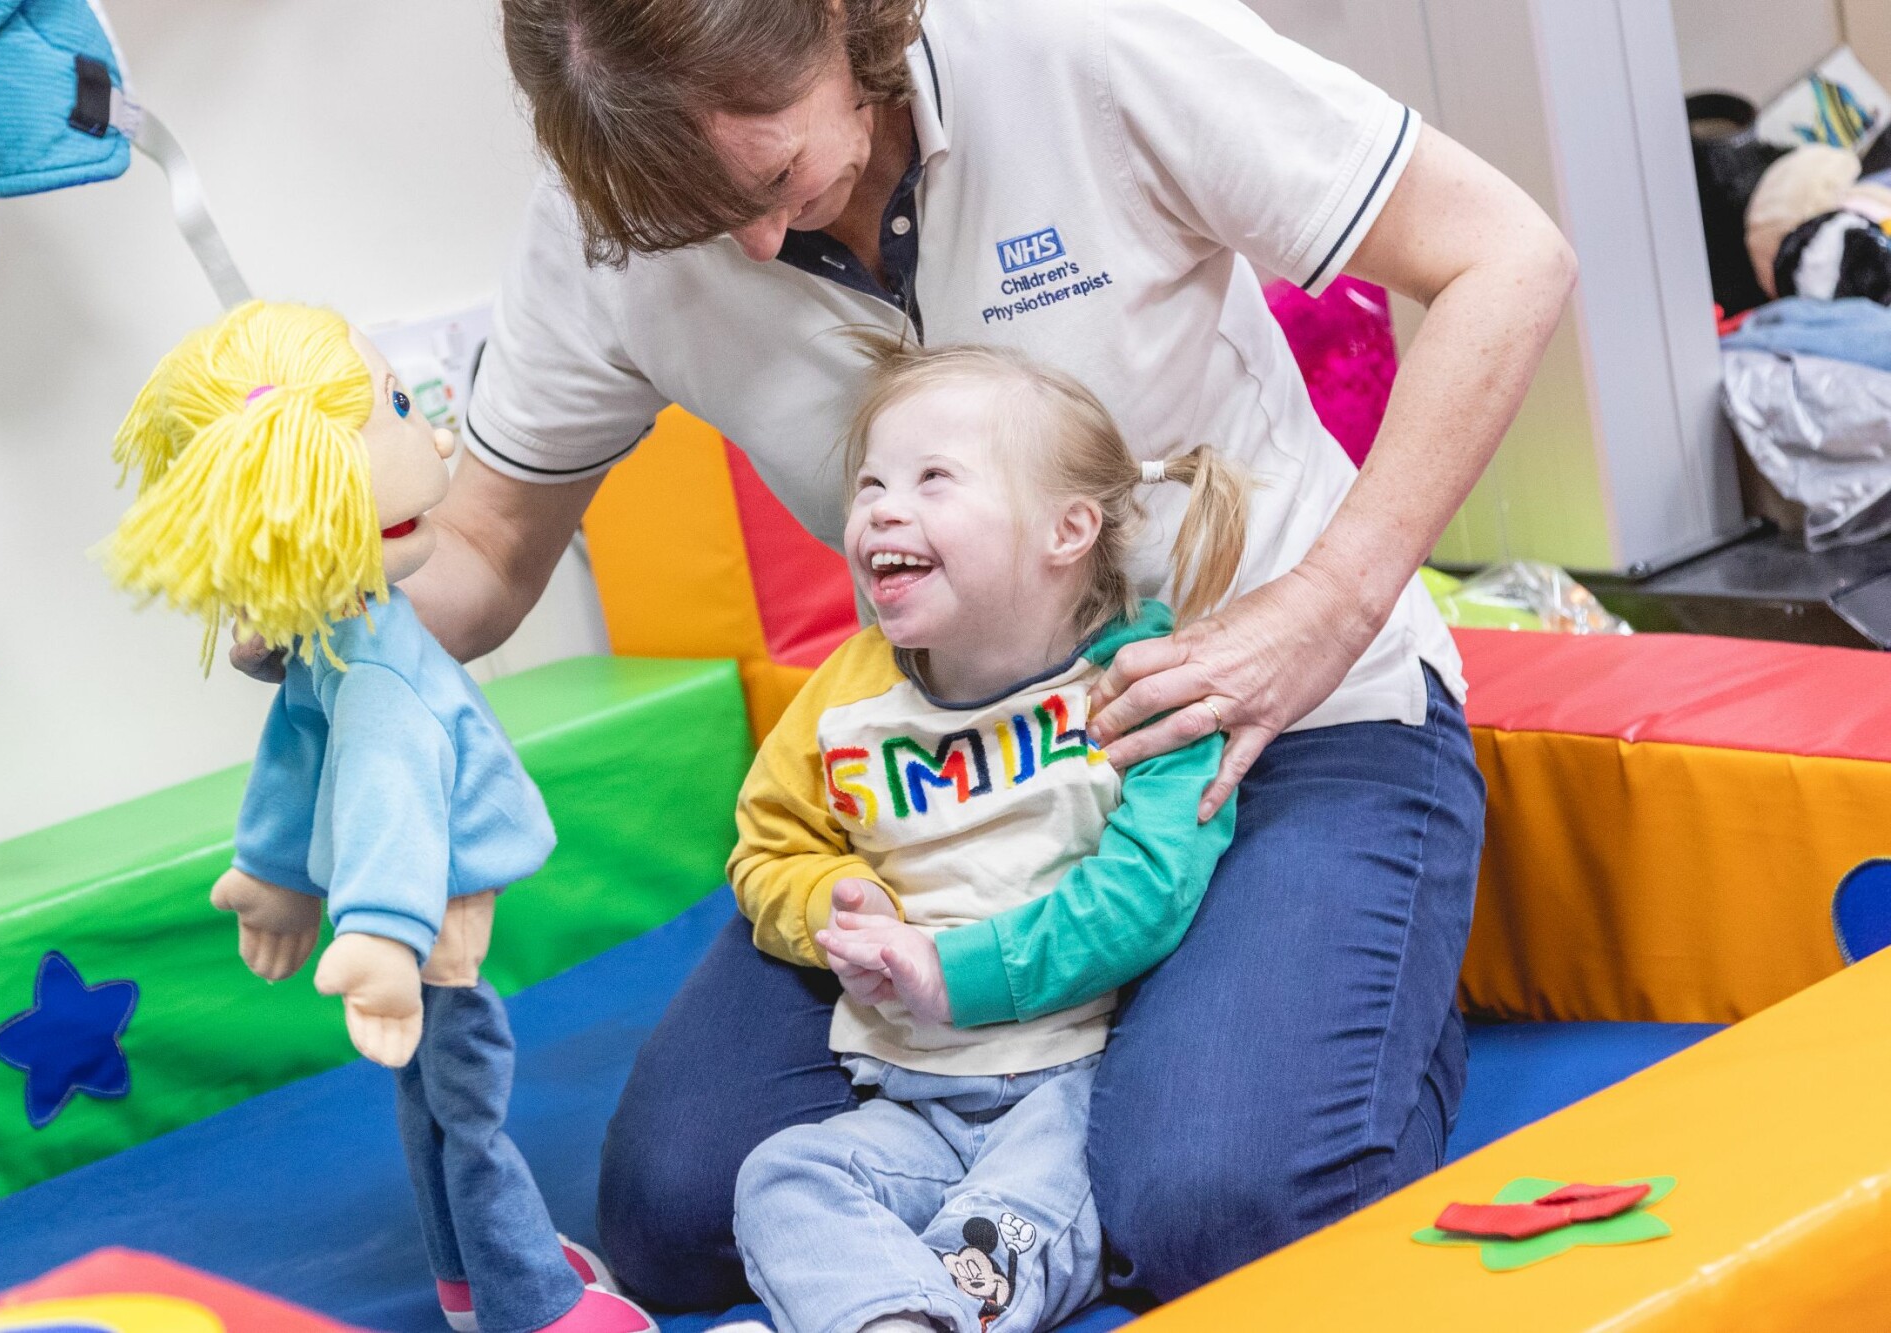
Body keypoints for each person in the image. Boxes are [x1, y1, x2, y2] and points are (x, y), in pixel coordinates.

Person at [237, 0, 1574, 1304]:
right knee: (676, 1210)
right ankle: (1103, 1077)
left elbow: (1506, 257)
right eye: (700, 218)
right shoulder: (613, 208)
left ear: (841, 18)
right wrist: (324, 602)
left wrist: (1322, 607)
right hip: (959, 775)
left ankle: (1278, 1036)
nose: (756, 243)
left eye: (771, 175)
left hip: (1267, 720)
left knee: (1218, 1208)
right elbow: (485, 551)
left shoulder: (1081, 40)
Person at [116, 303, 655, 1333]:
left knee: (427, 1089)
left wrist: (273, 871)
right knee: (469, 1093)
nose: (439, 439)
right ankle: (531, 1302)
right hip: (429, 904)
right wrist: (382, 933)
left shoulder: (334, 630)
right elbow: (385, 791)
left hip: (406, 905)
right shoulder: (381, 668)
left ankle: (463, 1277)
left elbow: (295, 755)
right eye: (399, 412)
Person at [725, 337, 1243, 1333]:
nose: (882, 509)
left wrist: (950, 971)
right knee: (780, 1173)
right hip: (908, 1098)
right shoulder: (847, 695)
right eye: (870, 483)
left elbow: (1149, 887)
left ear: (1066, 530)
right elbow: (768, 845)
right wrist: (831, 902)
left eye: (932, 479)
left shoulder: (1138, 683)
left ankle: (890, 1315)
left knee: (999, 1226)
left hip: (1077, 1083)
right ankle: (884, 1313)